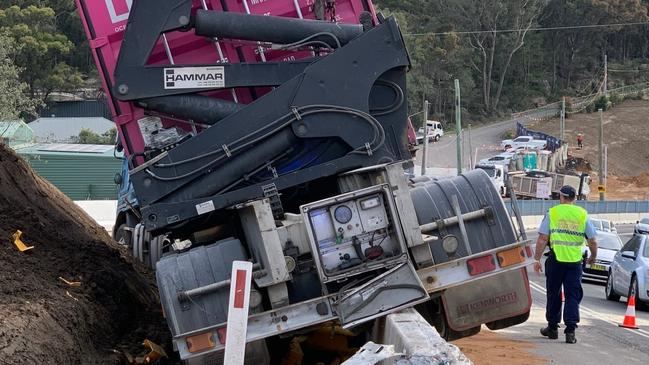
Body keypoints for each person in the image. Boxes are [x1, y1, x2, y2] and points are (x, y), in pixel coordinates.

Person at [533, 185, 597, 344]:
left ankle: (552, 328)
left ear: (561, 197)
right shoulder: (583, 215)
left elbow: (542, 238)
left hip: (556, 260)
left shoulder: (552, 213)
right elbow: (593, 240)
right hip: (575, 263)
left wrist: (536, 259)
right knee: (572, 296)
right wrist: (593, 256)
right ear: (574, 199)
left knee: (553, 294)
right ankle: (570, 331)